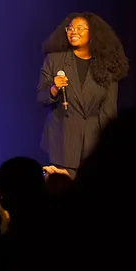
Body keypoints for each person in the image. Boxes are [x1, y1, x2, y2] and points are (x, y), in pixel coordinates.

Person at [36, 12, 128, 178]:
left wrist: (108, 145)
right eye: (70, 28)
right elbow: (41, 97)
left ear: (92, 33)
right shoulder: (54, 60)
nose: (73, 32)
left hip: (93, 144)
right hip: (63, 141)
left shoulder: (106, 65)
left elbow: (109, 112)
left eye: (80, 28)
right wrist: (54, 89)